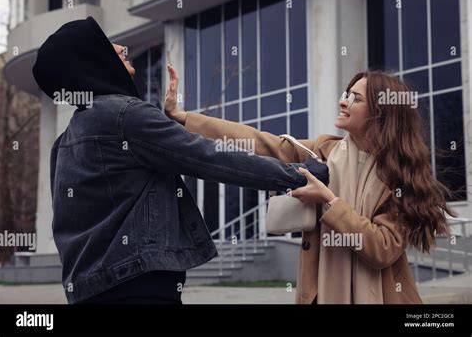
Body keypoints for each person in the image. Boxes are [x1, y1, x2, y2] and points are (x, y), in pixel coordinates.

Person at [31, 16, 329, 304]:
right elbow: (211, 156)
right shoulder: (126, 116)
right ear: (90, 59)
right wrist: (298, 174)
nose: (122, 48)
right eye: (109, 45)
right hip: (138, 285)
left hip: (88, 288)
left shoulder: (65, 141)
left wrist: (168, 123)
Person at [165, 66, 457, 304]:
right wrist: (186, 119)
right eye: (346, 94)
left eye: (356, 98)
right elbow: (261, 143)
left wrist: (329, 201)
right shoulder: (324, 151)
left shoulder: (401, 177)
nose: (343, 101)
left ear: (380, 112)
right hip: (320, 294)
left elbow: (381, 249)